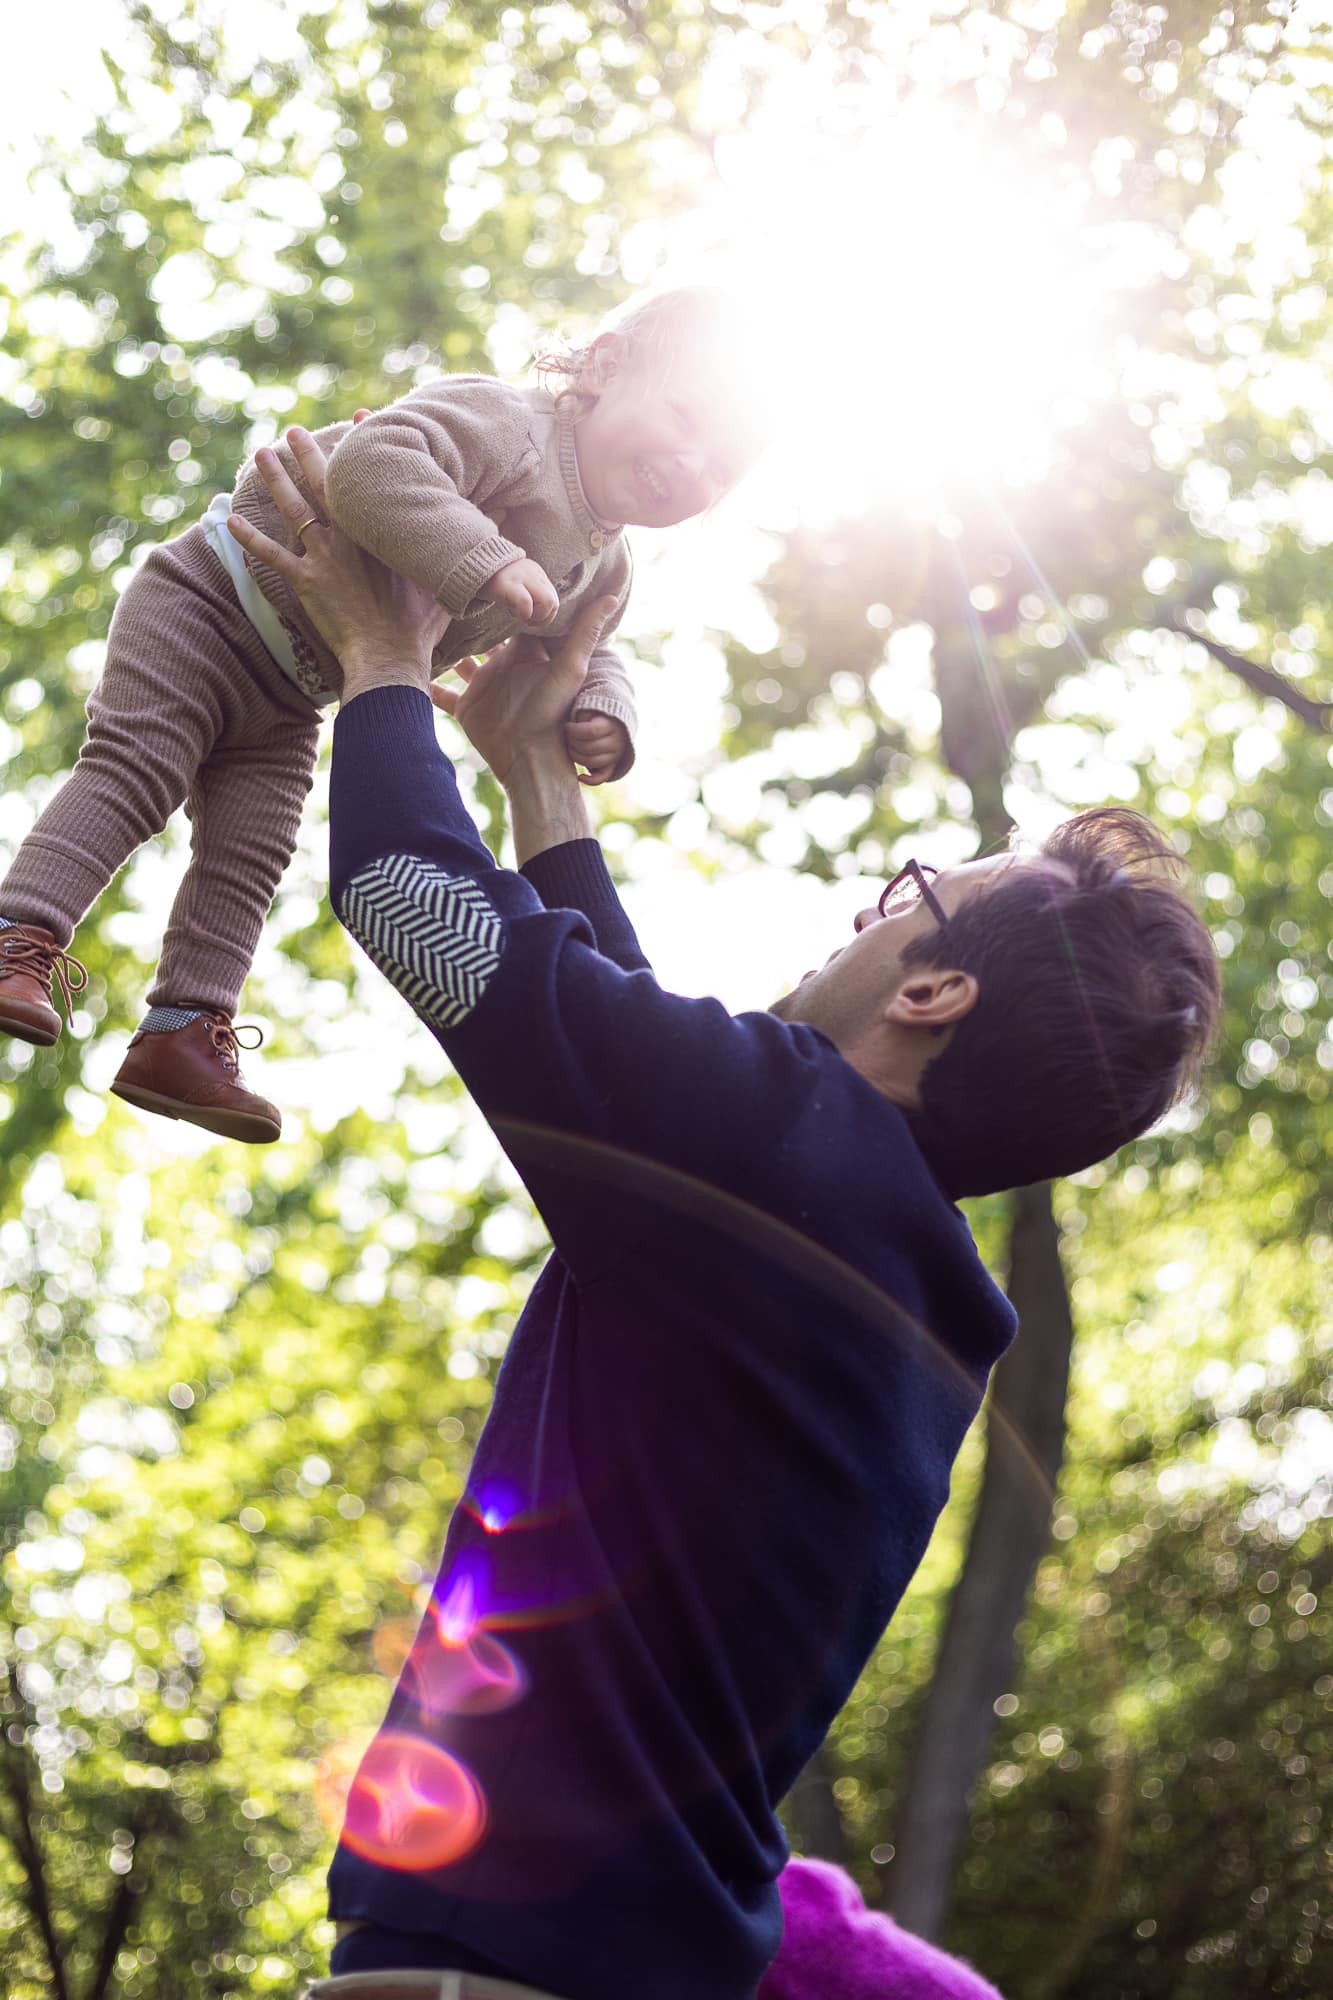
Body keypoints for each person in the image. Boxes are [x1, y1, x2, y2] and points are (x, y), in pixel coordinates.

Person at [240, 434, 1218, 2000]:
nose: (866, 903)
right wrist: (538, 773)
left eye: (911, 891)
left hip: (485, 1968)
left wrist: (381, 656)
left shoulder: (776, 1152)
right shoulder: (902, 1279)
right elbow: (646, 1078)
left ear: (931, 986)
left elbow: (413, 907)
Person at [0, 287, 761, 1143]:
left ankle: (182, 1032)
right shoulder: (509, 422)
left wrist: (605, 714)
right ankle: (20, 930)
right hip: (213, 598)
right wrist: (485, 557)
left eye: (721, 469)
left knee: (252, 851)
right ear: (608, 366)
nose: (690, 466)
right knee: (140, 771)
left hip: (293, 690)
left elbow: (588, 646)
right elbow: (374, 463)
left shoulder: (606, 567)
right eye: (687, 419)